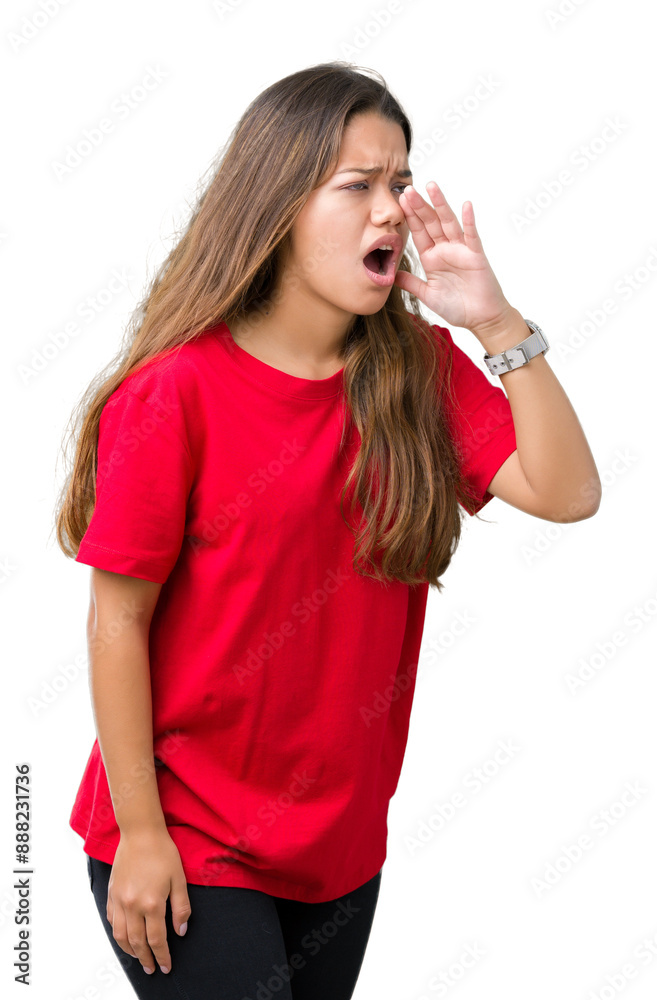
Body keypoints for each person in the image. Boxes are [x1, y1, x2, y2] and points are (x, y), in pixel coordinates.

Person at [54, 60, 601, 999]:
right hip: (188, 832)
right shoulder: (173, 393)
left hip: (339, 846)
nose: (390, 209)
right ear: (276, 206)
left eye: (398, 181)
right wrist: (142, 834)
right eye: (357, 186)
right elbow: (117, 624)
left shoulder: (415, 370)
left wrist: (495, 322)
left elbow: (566, 492)